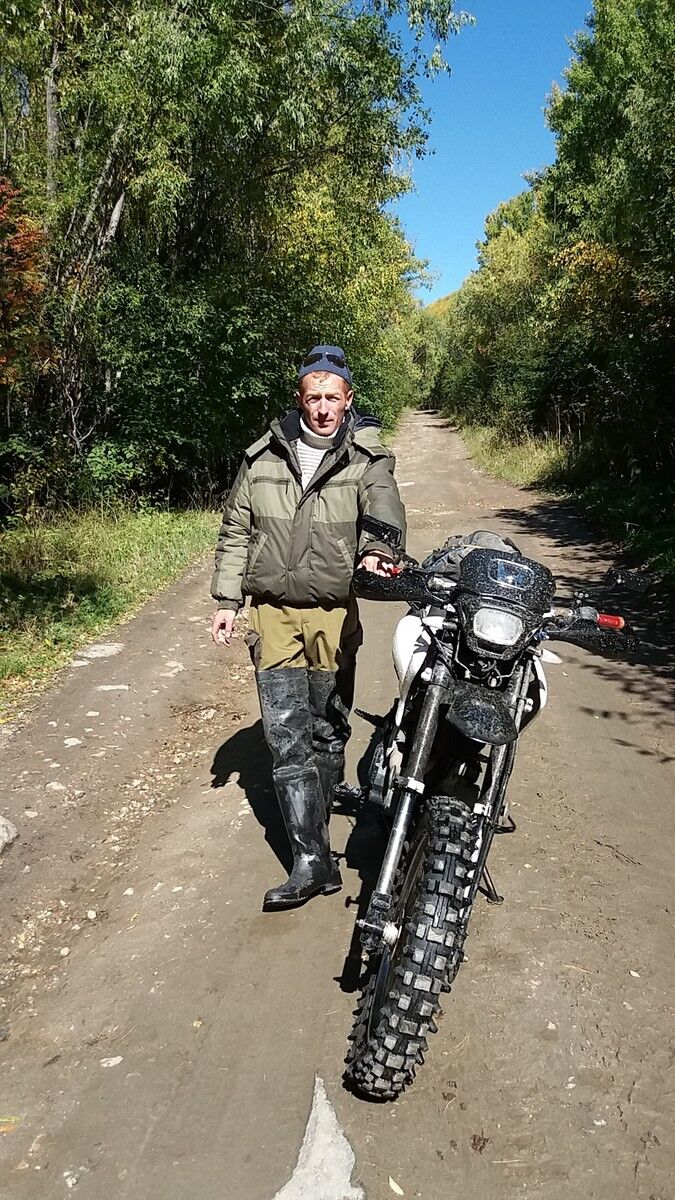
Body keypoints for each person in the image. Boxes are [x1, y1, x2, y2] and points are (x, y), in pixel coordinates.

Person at [210, 345, 406, 909]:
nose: (322, 408)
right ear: (300, 399)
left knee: (327, 729)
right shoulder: (263, 457)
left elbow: (384, 510)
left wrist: (378, 552)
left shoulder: (365, 457)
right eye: (313, 397)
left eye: (332, 398)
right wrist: (227, 599)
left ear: (348, 400)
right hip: (272, 613)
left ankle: (318, 831)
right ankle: (311, 860)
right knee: (286, 736)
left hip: (332, 614)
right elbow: (236, 531)